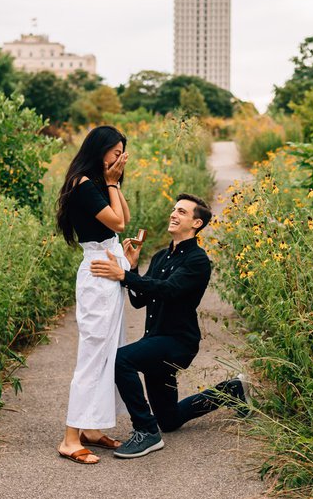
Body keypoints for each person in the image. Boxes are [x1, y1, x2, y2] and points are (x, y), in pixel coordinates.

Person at [90, 193, 249, 459]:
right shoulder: (161, 257)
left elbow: (169, 290)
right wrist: (133, 267)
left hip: (177, 343)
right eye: (174, 210)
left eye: (182, 212)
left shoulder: (198, 261)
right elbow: (140, 300)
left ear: (196, 224)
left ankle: (145, 431)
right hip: (155, 340)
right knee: (170, 420)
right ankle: (232, 390)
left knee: (120, 361)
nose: (174, 214)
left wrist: (124, 276)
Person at [54, 125, 132, 465]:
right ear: (99, 151)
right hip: (97, 272)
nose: (119, 159)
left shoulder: (99, 182)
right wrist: (113, 183)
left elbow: (124, 218)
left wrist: (115, 182)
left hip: (110, 268)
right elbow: (117, 224)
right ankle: (71, 437)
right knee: (93, 354)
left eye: (122, 154)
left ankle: (92, 428)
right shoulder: (83, 184)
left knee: (109, 353)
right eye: (115, 153)